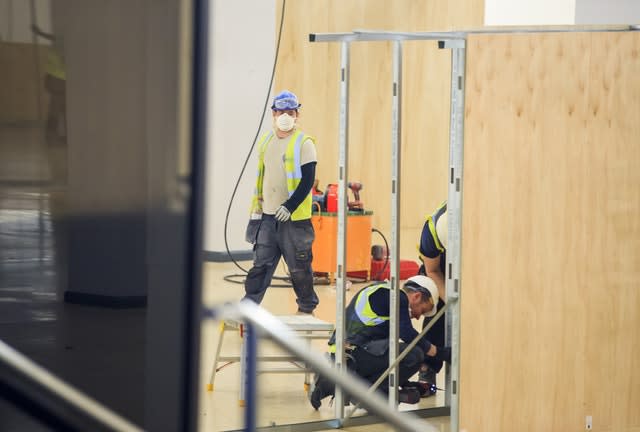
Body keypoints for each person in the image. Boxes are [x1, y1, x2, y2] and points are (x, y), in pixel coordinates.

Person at [309, 275, 450, 409]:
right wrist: (438, 352)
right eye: (422, 310)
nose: (419, 317)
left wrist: (407, 384)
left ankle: (344, 386)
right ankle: (369, 395)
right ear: (417, 296)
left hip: (350, 354)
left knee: (404, 354)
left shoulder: (382, 291)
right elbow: (407, 333)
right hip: (353, 354)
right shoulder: (396, 297)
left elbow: (384, 354)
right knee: (414, 355)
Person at [242, 90, 319, 315]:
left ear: (297, 115)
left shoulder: (304, 143)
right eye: (281, 111)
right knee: (261, 265)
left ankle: (306, 308)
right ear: (274, 114)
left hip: (295, 220)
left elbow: (307, 181)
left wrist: (290, 205)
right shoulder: (266, 140)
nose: (285, 115)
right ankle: (248, 307)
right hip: (267, 216)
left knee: (299, 267)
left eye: (290, 111)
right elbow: (264, 175)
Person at [417, 200, 448, 386]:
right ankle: (427, 368)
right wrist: (451, 300)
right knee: (435, 304)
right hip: (438, 268)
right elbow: (433, 271)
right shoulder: (431, 231)